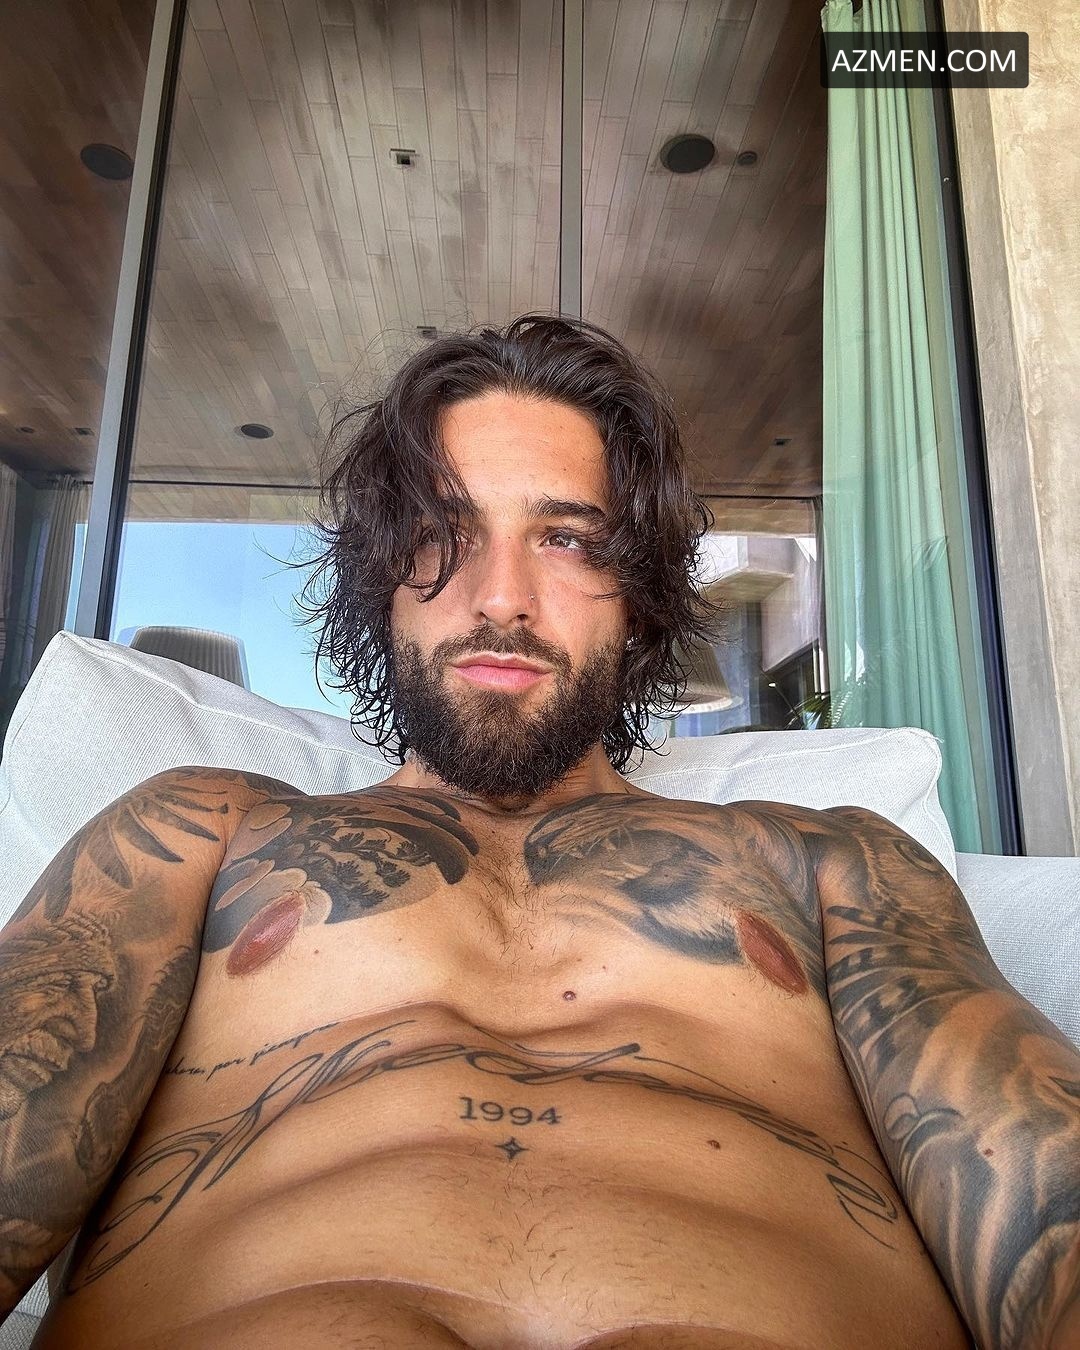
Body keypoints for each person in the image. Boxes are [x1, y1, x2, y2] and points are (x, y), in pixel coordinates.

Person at [1, 315, 1076, 1350]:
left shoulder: (834, 863)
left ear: (640, 598)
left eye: (566, 538)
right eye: (443, 532)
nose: (501, 597)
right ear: (382, 581)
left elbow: (1041, 1190)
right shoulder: (199, 832)